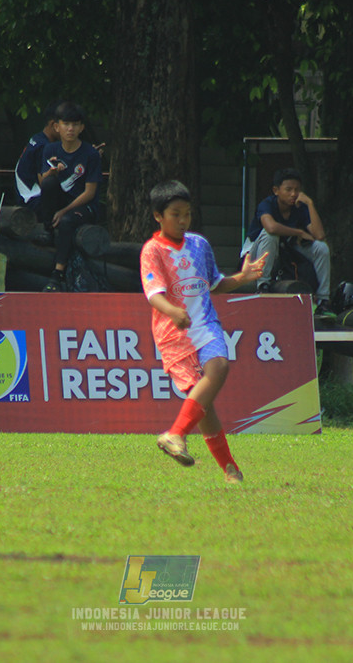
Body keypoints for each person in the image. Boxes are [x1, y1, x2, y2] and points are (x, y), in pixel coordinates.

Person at [140, 180, 267, 484]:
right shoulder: (153, 250)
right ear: (158, 216)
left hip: (205, 324)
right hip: (174, 335)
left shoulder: (200, 244)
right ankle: (230, 470)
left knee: (219, 366)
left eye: (187, 214)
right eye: (175, 214)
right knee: (205, 406)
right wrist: (173, 311)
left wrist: (242, 278)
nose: (183, 220)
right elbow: (153, 294)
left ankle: (175, 434)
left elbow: (214, 285)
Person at [242, 168, 331, 315]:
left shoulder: (300, 208)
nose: (293, 194)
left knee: (321, 248)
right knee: (271, 235)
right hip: (253, 258)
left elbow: (319, 235)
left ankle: (323, 300)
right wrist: (299, 232)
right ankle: (262, 286)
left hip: (284, 254)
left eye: (297, 190)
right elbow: (270, 227)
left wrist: (309, 203)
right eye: (288, 189)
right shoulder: (267, 204)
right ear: (276, 190)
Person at [35, 102, 103, 292]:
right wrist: (52, 172)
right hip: (60, 201)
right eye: (66, 124)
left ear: (81, 128)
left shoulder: (90, 154)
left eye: (75, 125)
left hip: (83, 206)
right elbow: (43, 183)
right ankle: (48, 228)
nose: (70, 129)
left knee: (66, 221)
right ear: (57, 126)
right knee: (49, 184)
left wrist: (64, 210)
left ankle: (58, 273)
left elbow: (90, 192)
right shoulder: (50, 150)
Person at [14, 100, 61, 209]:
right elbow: (45, 184)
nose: (69, 129)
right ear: (54, 125)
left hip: (25, 197)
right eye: (66, 124)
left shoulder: (37, 138)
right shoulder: (43, 146)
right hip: (32, 200)